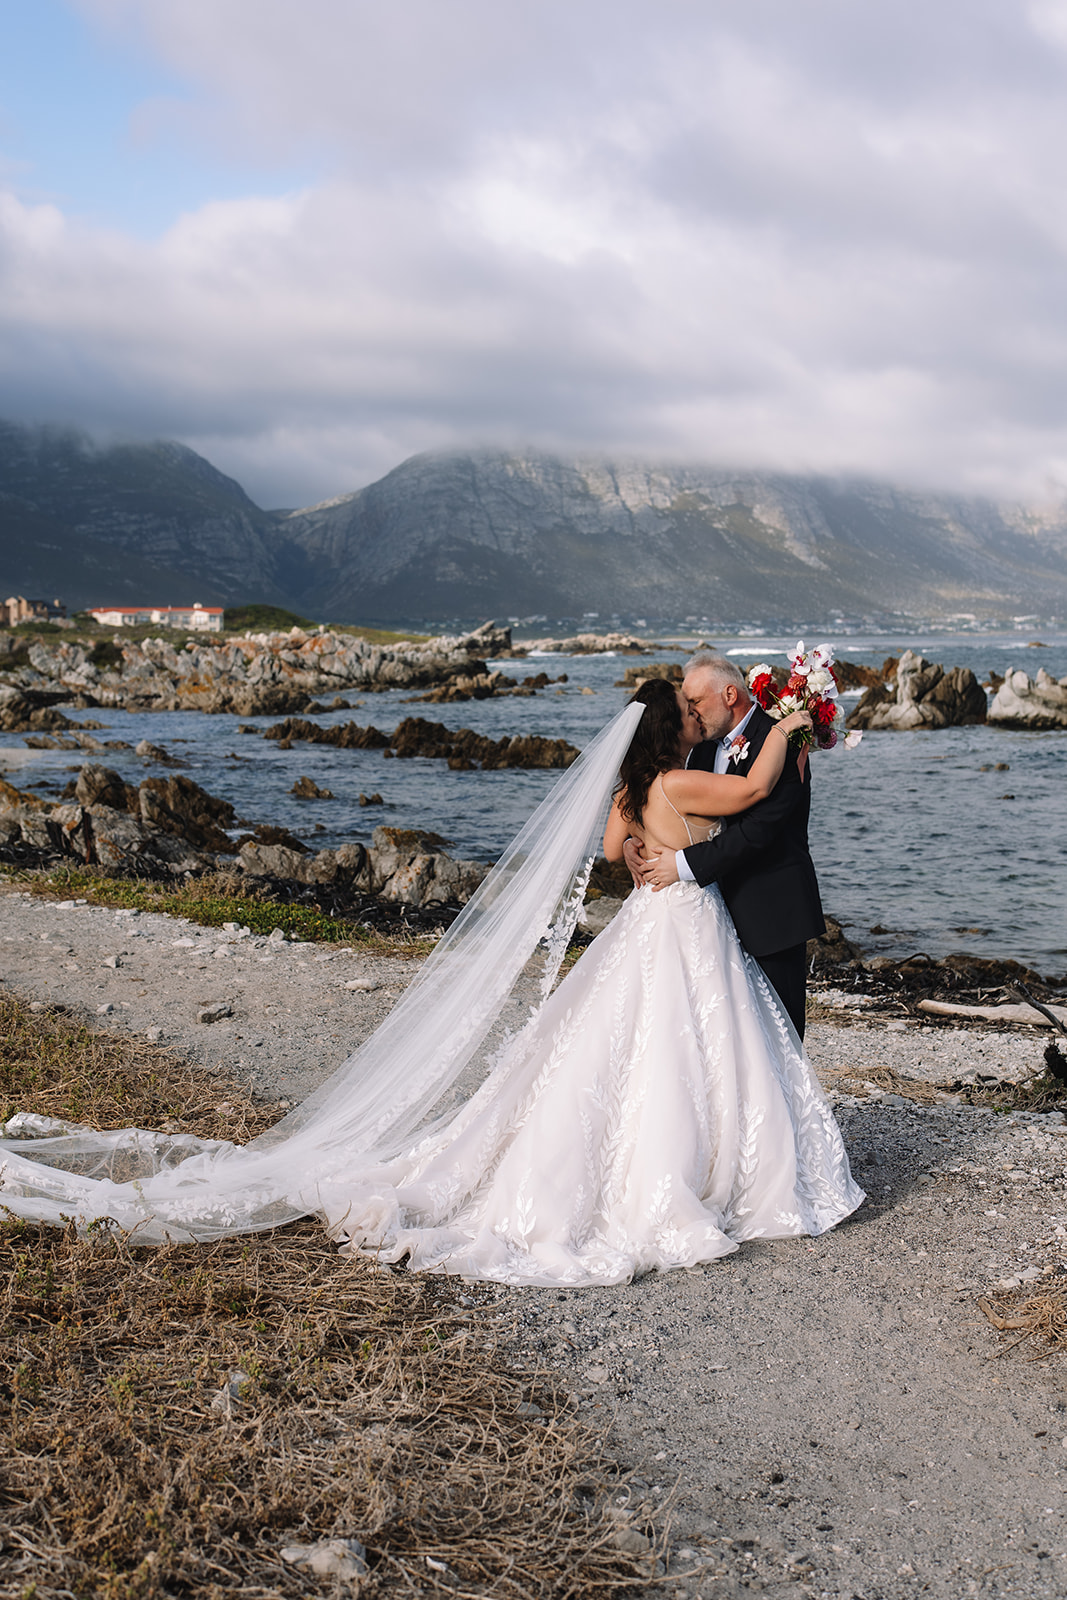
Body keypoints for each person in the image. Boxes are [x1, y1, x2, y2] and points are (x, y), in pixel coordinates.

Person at [0, 686, 862, 1286]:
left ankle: (676, 1156)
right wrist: (790, 720)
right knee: (690, 1045)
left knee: (626, 1043)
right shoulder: (677, 779)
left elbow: (606, 853)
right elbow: (751, 787)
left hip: (645, 922)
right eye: (681, 712)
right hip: (682, 923)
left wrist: (644, 844)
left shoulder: (633, 788)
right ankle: (704, 1168)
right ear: (663, 734)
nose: (690, 719)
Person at [632, 653, 824, 1039]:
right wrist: (635, 842)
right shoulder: (699, 749)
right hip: (712, 918)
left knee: (779, 1033)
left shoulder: (781, 740)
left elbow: (757, 833)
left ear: (730, 694)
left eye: (695, 703)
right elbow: (672, 808)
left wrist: (682, 864)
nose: (691, 713)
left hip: (771, 910)